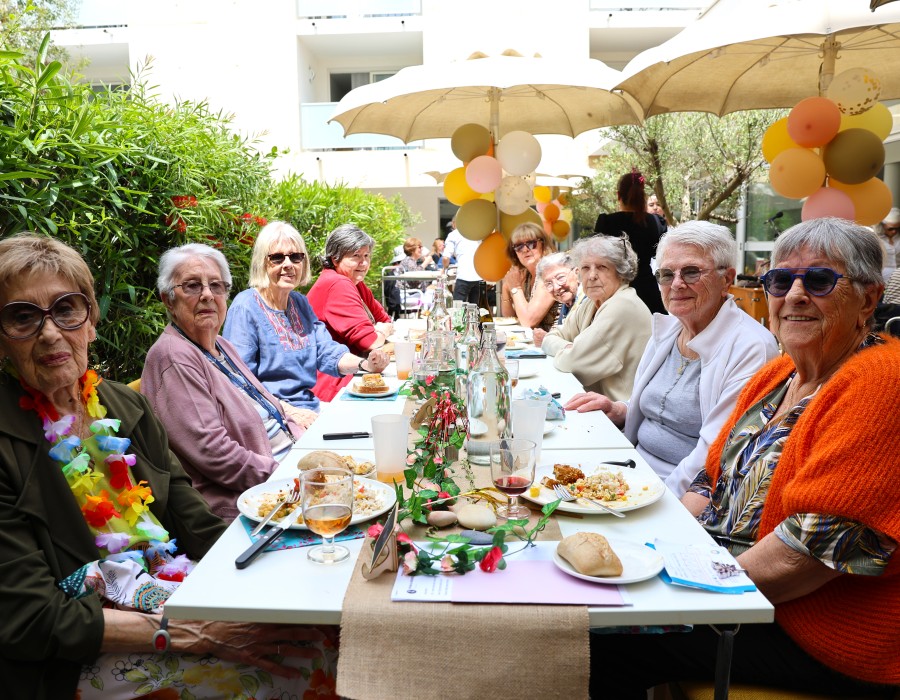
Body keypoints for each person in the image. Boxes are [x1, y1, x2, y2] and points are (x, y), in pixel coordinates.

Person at [0, 234, 332, 699]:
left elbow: (193, 518)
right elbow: (31, 618)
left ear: (91, 320)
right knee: (295, 672)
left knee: (321, 633)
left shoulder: (122, 404)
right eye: (22, 317)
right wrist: (194, 632)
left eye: (66, 309)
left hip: (173, 589)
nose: (50, 333)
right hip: (81, 652)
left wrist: (275, 577)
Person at [588, 217, 900, 698]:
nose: (795, 295)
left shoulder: (881, 382)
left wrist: (678, 587)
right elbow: (710, 478)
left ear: (869, 298)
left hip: (811, 628)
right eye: (781, 279)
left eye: (819, 280)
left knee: (595, 643)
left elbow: (810, 549)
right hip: (734, 581)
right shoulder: (779, 375)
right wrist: (652, 543)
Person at [566, 221, 778, 495]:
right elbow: (660, 406)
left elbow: (715, 453)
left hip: (679, 494)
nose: (676, 284)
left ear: (727, 280)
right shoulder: (669, 328)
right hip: (630, 469)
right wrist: (620, 410)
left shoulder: (751, 347)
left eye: (691, 272)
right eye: (666, 274)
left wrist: (653, 498)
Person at [142, 243, 303, 520]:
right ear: (169, 300)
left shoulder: (221, 345)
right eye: (192, 286)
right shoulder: (173, 357)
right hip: (247, 501)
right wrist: (286, 476)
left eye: (216, 286)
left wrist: (308, 447)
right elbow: (215, 453)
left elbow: (268, 404)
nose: (207, 295)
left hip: (285, 470)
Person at [222, 221, 388, 425]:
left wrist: (366, 364)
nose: (288, 264)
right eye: (277, 258)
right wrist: (288, 411)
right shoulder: (246, 307)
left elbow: (326, 351)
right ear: (262, 263)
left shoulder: (298, 302)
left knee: (378, 420)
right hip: (272, 417)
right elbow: (239, 380)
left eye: (296, 257)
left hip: (311, 405)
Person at [541, 236, 652, 400]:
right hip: (597, 406)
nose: (592, 275)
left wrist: (572, 352)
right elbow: (550, 338)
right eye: (585, 268)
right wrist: (571, 348)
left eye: (602, 267)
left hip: (622, 417)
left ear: (620, 272)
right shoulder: (591, 304)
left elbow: (573, 364)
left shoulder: (622, 306)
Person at [307, 223, 394, 400]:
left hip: (355, 372)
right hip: (333, 382)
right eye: (356, 256)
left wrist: (380, 331)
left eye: (366, 255)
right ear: (335, 259)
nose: (364, 263)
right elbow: (371, 342)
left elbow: (385, 320)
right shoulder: (337, 284)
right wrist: (380, 332)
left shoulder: (355, 283)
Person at [594, 169, 666, 314]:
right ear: (643, 197)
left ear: (619, 195)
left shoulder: (607, 223)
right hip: (648, 291)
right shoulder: (656, 223)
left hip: (616, 290)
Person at [500, 222, 560, 331]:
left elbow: (528, 321)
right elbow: (508, 317)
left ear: (543, 244)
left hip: (555, 342)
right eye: (519, 246)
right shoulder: (525, 276)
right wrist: (506, 286)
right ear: (514, 253)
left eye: (531, 243)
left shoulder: (549, 272)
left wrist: (515, 288)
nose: (525, 249)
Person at [532, 252, 585, 348]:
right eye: (549, 283)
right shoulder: (568, 302)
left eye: (560, 278)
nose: (556, 287)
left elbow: (581, 349)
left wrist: (547, 340)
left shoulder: (587, 302)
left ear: (577, 273)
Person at [443, 214, 484, 304]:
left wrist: (444, 269)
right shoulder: (477, 233)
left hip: (463, 276)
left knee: (458, 309)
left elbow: (446, 257)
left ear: (454, 224)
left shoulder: (453, 234)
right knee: (475, 309)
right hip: (479, 276)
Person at [874, 206, 900, 282]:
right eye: (890, 228)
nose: (894, 231)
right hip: (882, 278)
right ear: (883, 225)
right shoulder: (876, 237)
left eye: (897, 228)